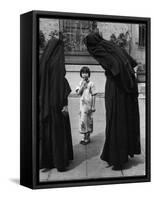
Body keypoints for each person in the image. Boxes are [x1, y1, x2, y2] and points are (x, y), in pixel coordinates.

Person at [84, 32, 141, 170]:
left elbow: (114, 66)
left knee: (115, 119)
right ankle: (123, 153)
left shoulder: (99, 49)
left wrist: (112, 73)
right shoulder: (112, 46)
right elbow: (131, 63)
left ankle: (117, 157)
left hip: (116, 87)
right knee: (124, 118)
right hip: (127, 87)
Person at [39, 37, 73, 172]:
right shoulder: (57, 62)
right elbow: (60, 83)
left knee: (47, 132)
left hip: (45, 103)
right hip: (56, 103)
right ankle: (60, 162)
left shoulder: (44, 62)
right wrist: (64, 103)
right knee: (58, 132)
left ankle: (47, 161)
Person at [76, 66, 97, 145]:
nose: (85, 74)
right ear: (81, 74)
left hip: (89, 105)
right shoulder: (80, 83)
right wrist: (82, 86)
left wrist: (93, 106)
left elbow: (94, 94)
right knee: (83, 120)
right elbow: (78, 93)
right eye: (83, 73)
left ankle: (87, 137)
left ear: (89, 74)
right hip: (82, 106)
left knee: (88, 120)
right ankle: (85, 136)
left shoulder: (91, 84)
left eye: (86, 73)